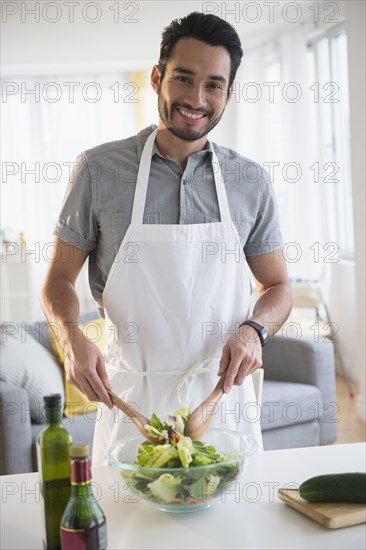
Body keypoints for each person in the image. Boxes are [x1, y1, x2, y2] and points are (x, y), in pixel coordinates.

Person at [41, 12, 292, 464]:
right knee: (132, 529)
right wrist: (70, 338)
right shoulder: (98, 171)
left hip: (222, 402)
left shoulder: (249, 181)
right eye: (183, 78)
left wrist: (255, 333)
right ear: (158, 77)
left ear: (229, 94)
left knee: (236, 531)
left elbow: (278, 287)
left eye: (214, 85)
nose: (196, 98)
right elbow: (58, 276)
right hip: (132, 404)